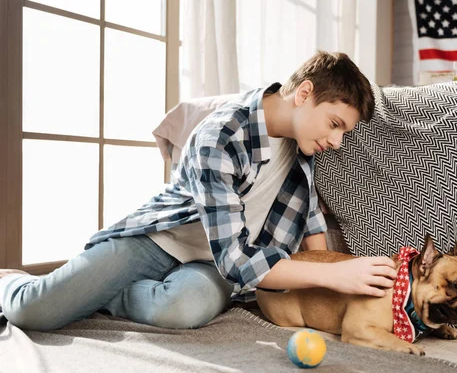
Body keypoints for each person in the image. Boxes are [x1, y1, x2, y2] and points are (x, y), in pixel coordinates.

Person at [0, 51, 397, 331]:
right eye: (334, 124)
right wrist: (338, 274)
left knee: (182, 308)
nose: (338, 140)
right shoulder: (221, 136)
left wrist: (333, 272)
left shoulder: (304, 144)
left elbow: (307, 214)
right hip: (158, 240)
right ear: (305, 93)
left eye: (343, 131)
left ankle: (101, 295)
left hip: (212, 265)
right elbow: (240, 263)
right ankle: (10, 280)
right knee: (33, 311)